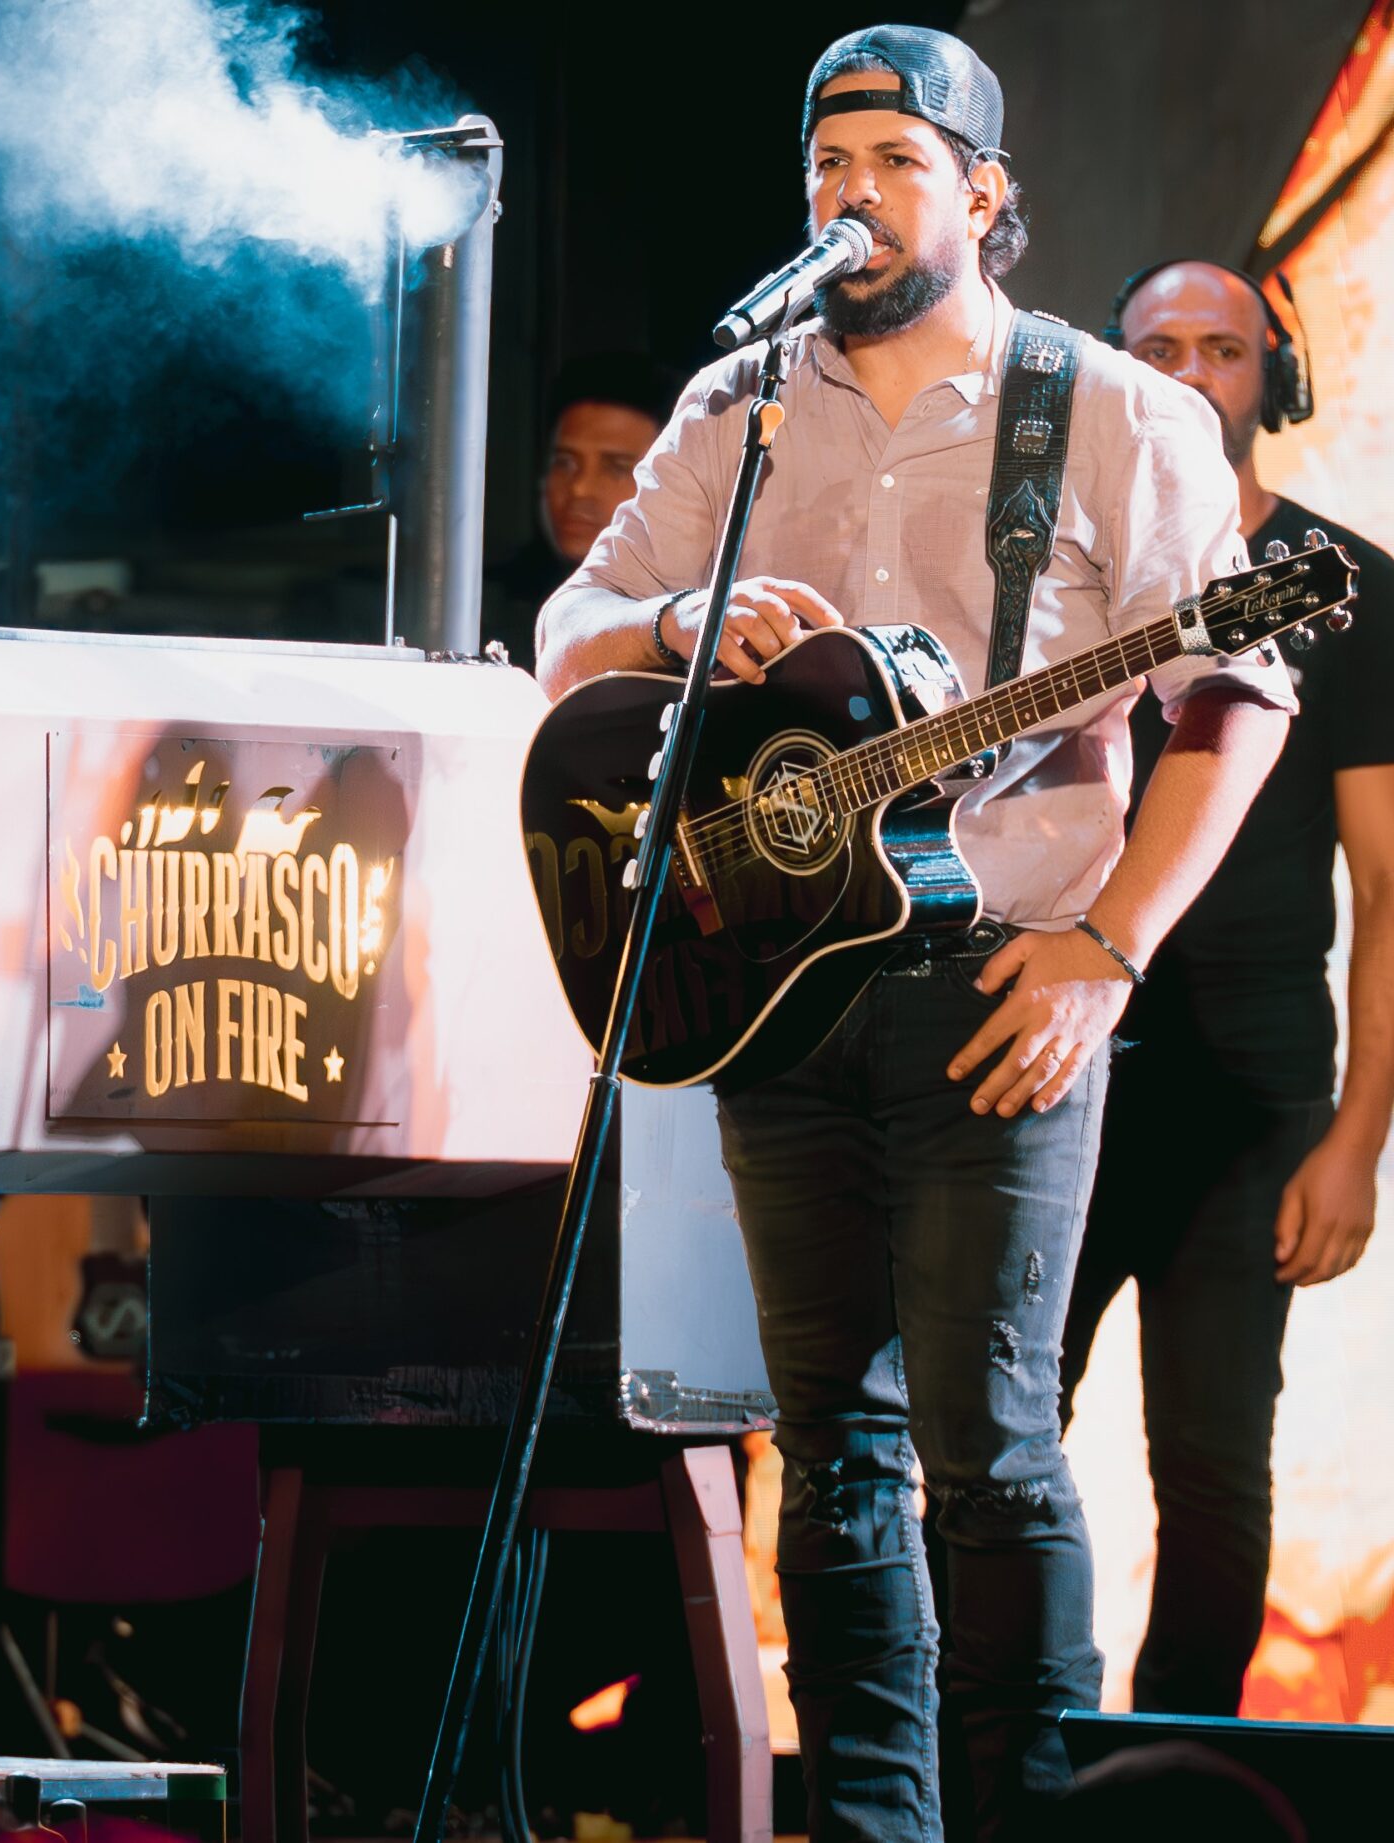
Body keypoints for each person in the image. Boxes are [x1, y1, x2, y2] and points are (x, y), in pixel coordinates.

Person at [533, 27, 1293, 1842]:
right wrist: (673, 632)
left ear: (983, 191)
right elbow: (567, 630)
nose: (852, 194)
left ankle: (1025, 1813)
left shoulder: (1107, 411)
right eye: (828, 162)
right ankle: (874, 1822)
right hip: (774, 986)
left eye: (894, 161)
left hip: (1001, 980)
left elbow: (1234, 699)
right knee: (829, 1446)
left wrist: (1110, 945)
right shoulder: (740, 403)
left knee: (989, 1442)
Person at [1061, 258, 1393, 1715]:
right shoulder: (1056, 570)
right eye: (1158, 350)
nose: (1191, 375)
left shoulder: (1348, 583)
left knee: (1208, 1462)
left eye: (1223, 348)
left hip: (1251, 1091)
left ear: (1275, 378)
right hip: (1051, 1059)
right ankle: (1004, 1756)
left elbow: (1389, 886)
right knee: (993, 1436)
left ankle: (1170, 1779)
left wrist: (1356, 1139)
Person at [486, 355, 682, 666]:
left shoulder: (690, 622)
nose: (580, 488)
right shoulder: (484, 607)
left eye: (616, 468)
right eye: (565, 463)